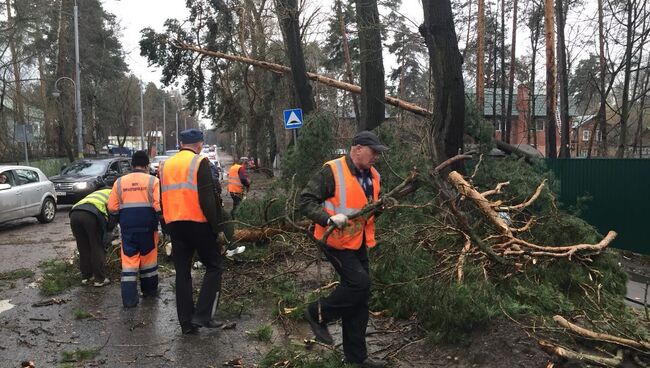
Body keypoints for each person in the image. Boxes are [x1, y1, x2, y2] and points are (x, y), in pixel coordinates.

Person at [299, 130, 388, 368]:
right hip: (335, 241)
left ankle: (356, 357)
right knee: (359, 284)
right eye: (374, 152)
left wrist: (381, 206)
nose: (376, 157)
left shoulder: (374, 176)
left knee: (360, 298)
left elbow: (370, 207)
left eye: (379, 153)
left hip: (358, 241)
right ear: (357, 148)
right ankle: (317, 312)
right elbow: (306, 200)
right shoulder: (332, 171)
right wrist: (328, 218)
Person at [159, 128, 225, 335]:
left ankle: (186, 323)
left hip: (175, 225)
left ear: (181, 144)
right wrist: (216, 227)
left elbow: (163, 197)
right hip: (198, 222)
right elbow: (207, 199)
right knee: (214, 266)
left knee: (183, 273)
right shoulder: (199, 162)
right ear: (198, 144)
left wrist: (165, 225)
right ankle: (203, 315)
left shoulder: (166, 165)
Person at [107, 151, 161, 308]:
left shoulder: (119, 182)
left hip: (128, 229)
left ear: (132, 165)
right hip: (148, 228)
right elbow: (158, 206)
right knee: (149, 262)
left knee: (129, 264)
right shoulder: (153, 181)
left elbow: (112, 207)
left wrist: (121, 217)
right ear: (147, 165)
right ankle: (149, 292)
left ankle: (130, 300)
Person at [69, 187, 113, 287]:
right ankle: (100, 279)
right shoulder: (114, 193)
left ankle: (86, 277)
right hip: (91, 215)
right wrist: (109, 231)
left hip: (74, 213)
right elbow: (113, 213)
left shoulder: (98, 193)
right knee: (96, 245)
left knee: (83, 247)